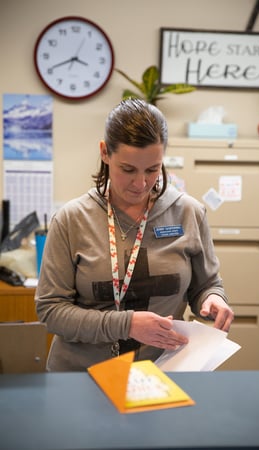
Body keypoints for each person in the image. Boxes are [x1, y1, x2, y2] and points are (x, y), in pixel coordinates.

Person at [35, 98, 234, 371]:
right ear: (105, 153)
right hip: (82, 378)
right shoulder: (72, 220)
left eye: (153, 169)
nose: (140, 184)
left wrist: (213, 300)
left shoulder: (188, 213)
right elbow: (51, 311)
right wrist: (127, 325)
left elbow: (206, 284)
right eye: (127, 169)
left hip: (162, 374)